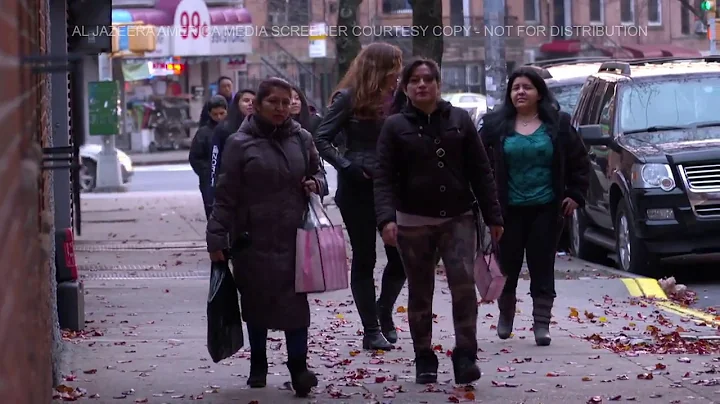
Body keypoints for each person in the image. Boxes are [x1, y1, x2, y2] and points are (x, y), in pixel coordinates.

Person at [374, 58, 504, 385]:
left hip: (458, 218)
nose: (422, 85)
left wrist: (493, 216)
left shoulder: (459, 120)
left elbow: (481, 171)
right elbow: (384, 178)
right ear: (405, 88)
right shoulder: (394, 126)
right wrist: (386, 219)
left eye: (428, 79)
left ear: (438, 84)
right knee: (420, 292)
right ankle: (423, 357)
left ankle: (465, 355)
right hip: (413, 222)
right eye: (415, 80)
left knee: (462, 287)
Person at [206, 78, 327, 397]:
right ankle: (258, 364)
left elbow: (320, 174)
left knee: (296, 307)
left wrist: (315, 183)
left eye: (286, 102)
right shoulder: (239, 143)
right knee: (256, 304)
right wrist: (216, 238)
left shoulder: (301, 138)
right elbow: (226, 194)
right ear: (258, 105)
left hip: (294, 237)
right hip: (252, 238)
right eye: (273, 101)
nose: (280, 108)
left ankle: (299, 368)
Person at [479, 66, 591, 346]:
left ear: (539, 93)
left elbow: (580, 162)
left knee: (542, 266)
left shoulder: (559, 125)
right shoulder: (495, 127)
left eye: (526, 87)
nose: (520, 92)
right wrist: (484, 204)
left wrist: (575, 194)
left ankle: (542, 325)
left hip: (546, 209)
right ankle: (506, 317)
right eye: (515, 88)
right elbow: (478, 166)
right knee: (508, 267)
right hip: (507, 212)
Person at [314, 42, 406, 351]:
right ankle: (371, 329)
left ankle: (384, 310)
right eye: (395, 65)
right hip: (358, 188)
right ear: (379, 67)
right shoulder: (348, 98)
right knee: (365, 257)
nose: (399, 71)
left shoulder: (400, 99)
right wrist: (347, 166)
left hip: (393, 186)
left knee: (401, 256)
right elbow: (321, 138)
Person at [207, 89, 255, 207]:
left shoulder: (264, 127)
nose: (250, 104)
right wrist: (213, 189)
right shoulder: (224, 128)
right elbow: (215, 161)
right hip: (231, 188)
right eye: (246, 100)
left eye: (253, 101)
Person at [189, 95, 227, 219]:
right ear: (209, 114)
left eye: (222, 113)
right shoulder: (204, 133)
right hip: (210, 181)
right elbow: (195, 157)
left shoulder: (232, 129)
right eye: (215, 114)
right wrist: (208, 171)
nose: (219, 117)